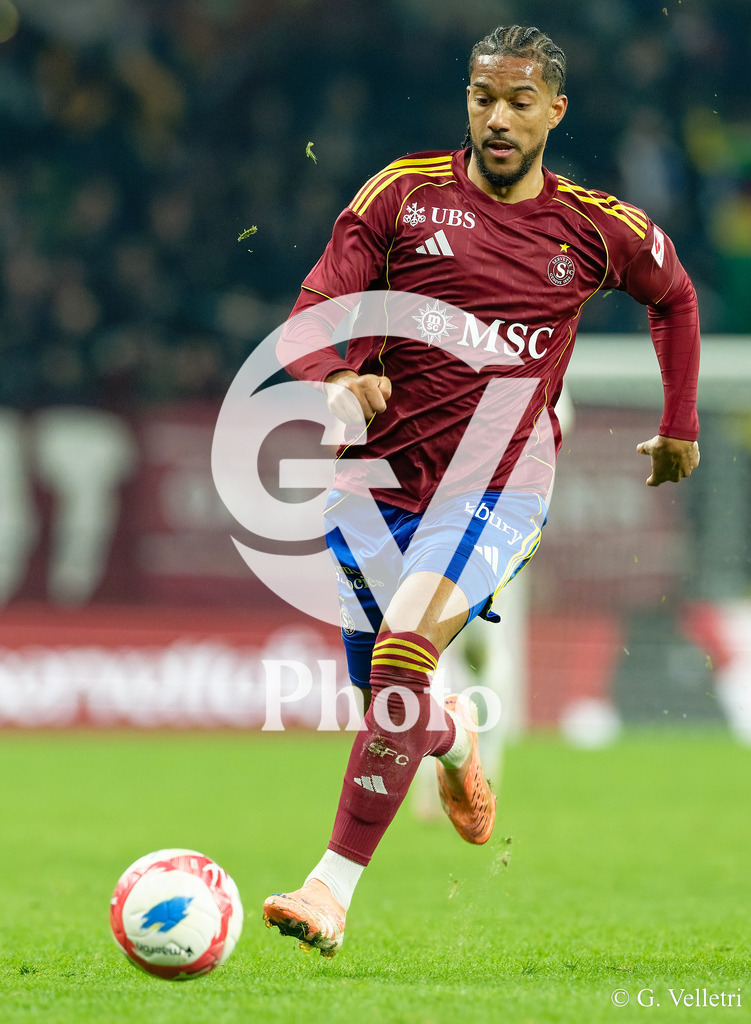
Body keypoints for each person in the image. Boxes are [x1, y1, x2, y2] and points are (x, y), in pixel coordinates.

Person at [262, 24, 700, 957]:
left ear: (555, 109)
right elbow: (310, 317)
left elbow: (676, 297)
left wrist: (681, 423)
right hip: (377, 486)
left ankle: (329, 890)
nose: (497, 119)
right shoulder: (402, 195)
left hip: (498, 485)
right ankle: (456, 740)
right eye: (482, 98)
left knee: (401, 658)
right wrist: (336, 379)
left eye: (518, 101)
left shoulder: (595, 228)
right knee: (390, 695)